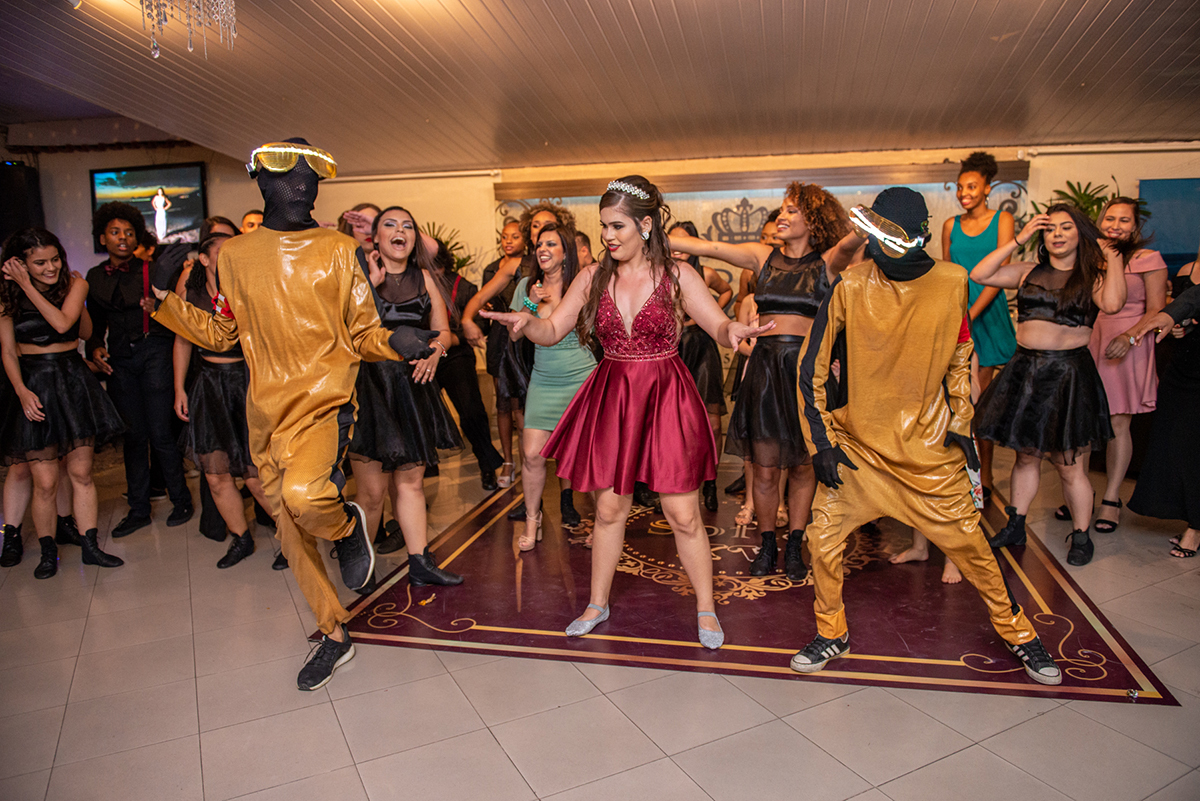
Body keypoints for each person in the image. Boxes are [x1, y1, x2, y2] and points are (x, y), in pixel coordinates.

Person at [150, 138, 437, 691]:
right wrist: (165, 299)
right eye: (290, 175)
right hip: (265, 415)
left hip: (325, 405)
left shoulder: (338, 249)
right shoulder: (235, 256)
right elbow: (224, 333)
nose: (303, 184)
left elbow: (361, 332)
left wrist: (394, 340)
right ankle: (334, 633)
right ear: (263, 181)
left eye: (311, 176)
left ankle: (348, 526)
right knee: (289, 529)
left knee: (306, 498)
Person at [482, 176, 770, 649]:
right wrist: (528, 321)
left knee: (683, 513)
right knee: (609, 508)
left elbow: (717, 325)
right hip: (613, 395)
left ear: (646, 225)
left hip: (665, 395)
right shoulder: (593, 277)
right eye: (603, 226)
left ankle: (706, 608)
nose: (608, 236)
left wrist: (733, 332)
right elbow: (552, 330)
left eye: (617, 226)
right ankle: (597, 604)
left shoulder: (678, 275)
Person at [791, 188, 1061, 686]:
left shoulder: (953, 281)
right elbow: (810, 368)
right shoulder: (851, 284)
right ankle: (832, 632)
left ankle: (1020, 633)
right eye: (871, 233)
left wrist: (960, 422)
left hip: (929, 452)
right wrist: (822, 444)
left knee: (975, 551)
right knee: (822, 540)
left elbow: (960, 356)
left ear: (916, 238)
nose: (875, 244)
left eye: (886, 236)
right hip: (859, 450)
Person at [669, 183, 862, 582]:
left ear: (813, 220)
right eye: (783, 209)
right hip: (766, 371)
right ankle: (768, 542)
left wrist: (868, 223)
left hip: (805, 373)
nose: (782, 217)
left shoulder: (827, 262)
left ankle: (795, 544)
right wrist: (649, 233)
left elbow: (850, 243)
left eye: (792, 211)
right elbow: (710, 247)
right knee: (766, 468)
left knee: (804, 467)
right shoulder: (763, 257)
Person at [973, 205, 1127, 566]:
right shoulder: (1028, 271)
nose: (1057, 234)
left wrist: (1111, 256)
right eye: (1050, 228)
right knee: (1026, 456)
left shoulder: (1093, 278)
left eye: (1066, 227)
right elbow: (980, 273)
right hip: (1025, 371)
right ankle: (1016, 525)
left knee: (1068, 465)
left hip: (1067, 375)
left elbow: (1114, 303)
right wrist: (1019, 238)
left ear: (1080, 235)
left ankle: (1081, 535)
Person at [346, 206, 464, 587]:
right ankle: (362, 567)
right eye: (390, 224)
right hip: (371, 387)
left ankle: (420, 562)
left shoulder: (425, 277)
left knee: (411, 483)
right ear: (376, 239)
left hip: (413, 386)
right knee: (372, 492)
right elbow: (345, 332)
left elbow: (443, 332)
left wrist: (435, 353)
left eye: (407, 225)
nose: (400, 230)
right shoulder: (358, 277)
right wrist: (371, 283)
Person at [1, 228, 125, 577]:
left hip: (72, 379)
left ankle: (90, 547)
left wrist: (27, 285)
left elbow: (64, 324)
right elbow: (7, 351)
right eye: (40, 263)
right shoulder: (7, 296)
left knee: (81, 473)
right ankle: (47, 551)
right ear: (22, 263)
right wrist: (21, 391)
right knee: (45, 481)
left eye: (55, 259)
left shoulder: (75, 284)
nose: (51, 267)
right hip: (34, 382)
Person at [86, 202, 193, 538]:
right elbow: (96, 325)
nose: (123, 238)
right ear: (103, 238)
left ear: (136, 239)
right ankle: (138, 510)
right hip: (120, 361)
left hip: (154, 354)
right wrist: (95, 347)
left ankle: (181, 500)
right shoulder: (94, 277)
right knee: (132, 437)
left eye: (129, 233)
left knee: (161, 433)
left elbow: (177, 316)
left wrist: (157, 307)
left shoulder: (154, 270)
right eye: (115, 232)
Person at [172, 232, 274, 569]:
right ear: (204, 259)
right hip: (209, 384)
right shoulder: (192, 294)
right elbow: (183, 341)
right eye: (223, 253)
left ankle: (293, 541)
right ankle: (241, 538)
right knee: (216, 475)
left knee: (257, 475)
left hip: (247, 382)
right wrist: (179, 388)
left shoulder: (251, 289)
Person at [1080, 197, 1167, 533]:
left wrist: (1129, 338)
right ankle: (1081, 493)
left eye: (1124, 220)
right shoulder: (1091, 257)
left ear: (1135, 226)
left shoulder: (1148, 259)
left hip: (1129, 343)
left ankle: (1111, 499)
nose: (1115, 226)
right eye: (1110, 219)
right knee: (1083, 422)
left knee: (1118, 423)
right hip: (1092, 340)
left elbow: (1157, 310)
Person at [509, 222, 596, 548]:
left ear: (566, 252)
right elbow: (514, 335)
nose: (543, 250)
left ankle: (604, 524)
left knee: (588, 457)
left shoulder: (582, 284)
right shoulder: (526, 285)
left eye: (551, 244)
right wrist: (530, 303)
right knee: (532, 454)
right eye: (539, 245)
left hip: (581, 377)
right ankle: (533, 521)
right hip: (544, 379)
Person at [1128, 263, 1198, 557]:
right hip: (1183, 366)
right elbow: (1190, 305)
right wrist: (1183, 324)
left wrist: (1170, 315)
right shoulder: (1187, 269)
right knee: (1175, 444)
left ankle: (1195, 528)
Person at [428, 240, 504, 490]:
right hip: (423, 356)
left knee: (471, 411)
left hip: (455, 354)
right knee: (422, 413)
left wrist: (454, 338)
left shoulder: (463, 287)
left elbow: (480, 324)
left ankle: (487, 465)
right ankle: (425, 466)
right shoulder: (414, 283)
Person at [668, 221, 733, 512]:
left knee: (713, 422)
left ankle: (710, 483)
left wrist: (704, 317)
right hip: (673, 350)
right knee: (675, 422)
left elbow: (726, 291)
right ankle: (677, 481)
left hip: (702, 346)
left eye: (683, 242)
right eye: (673, 242)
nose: (677, 248)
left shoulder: (705, 273)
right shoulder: (660, 274)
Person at [463, 220, 527, 489]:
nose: (508, 241)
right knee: (503, 402)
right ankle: (508, 461)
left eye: (515, 236)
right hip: (499, 338)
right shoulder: (492, 268)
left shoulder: (531, 265)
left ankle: (527, 462)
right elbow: (483, 301)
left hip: (523, 336)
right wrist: (475, 321)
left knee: (522, 405)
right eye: (504, 236)